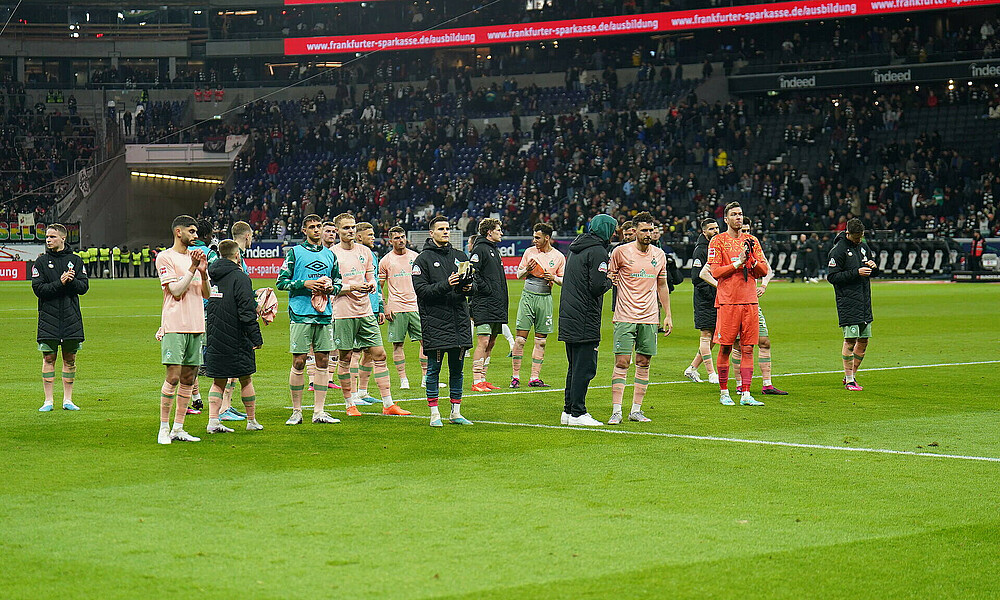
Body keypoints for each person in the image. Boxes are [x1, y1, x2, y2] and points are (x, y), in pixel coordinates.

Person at [330, 213, 409, 417]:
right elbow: (330, 286)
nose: (350, 230)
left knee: (380, 354)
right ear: (337, 231)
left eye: (352, 227)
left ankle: (388, 404)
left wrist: (371, 284)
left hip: (365, 311)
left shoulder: (365, 251)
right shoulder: (331, 254)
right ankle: (350, 403)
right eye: (346, 227)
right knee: (346, 358)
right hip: (343, 312)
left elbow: (371, 276)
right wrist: (352, 287)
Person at [275, 214, 343, 425]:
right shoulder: (295, 253)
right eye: (312, 226)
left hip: (324, 314)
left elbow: (339, 282)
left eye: (318, 226)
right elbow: (281, 282)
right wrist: (304, 284)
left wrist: (332, 287)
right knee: (299, 361)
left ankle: (319, 411)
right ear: (304, 230)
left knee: (323, 361)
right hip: (301, 313)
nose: (316, 229)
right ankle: (296, 411)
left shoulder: (330, 255)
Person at [606, 211, 673, 424]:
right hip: (625, 315)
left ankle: (636, 410)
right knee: (622, 362)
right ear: (634, 231)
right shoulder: (620, 252)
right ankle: (616, 411)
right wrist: (612, 280)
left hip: (650, 317)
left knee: (644, 362)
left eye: (651, 230)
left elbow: (662, 285)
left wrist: (668, 315)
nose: (648, 234)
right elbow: (609, 275)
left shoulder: (659, 255)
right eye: (644, 230)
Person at [412, 216, 476, 427]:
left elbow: (474, 285)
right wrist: (447, 284)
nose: (446, 231)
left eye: (447, 228)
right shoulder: (423, 260)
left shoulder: (460, 256)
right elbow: (422, 291)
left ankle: (456, 413)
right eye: (441, 229)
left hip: (459, 322)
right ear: (431, 233)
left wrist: (469, 287)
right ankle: (434, 414)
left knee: (458, 371)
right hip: (436, 322)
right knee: (434, 370)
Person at [704, 202, 768, 407]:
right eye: (734, 214)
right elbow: (715, 272)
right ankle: (724, 392)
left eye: (740, 214)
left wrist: (752, 261)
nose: (738, 217)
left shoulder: (752, 240)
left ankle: (746, 394)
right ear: (726, 219)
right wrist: (738, 263)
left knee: (748, 348)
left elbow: (764, 270)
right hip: (728, 301)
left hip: (750, 301)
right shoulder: (718, 241)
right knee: (725, 348)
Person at [155, 215, 211, 444]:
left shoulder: (195, 258)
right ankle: (163, 428)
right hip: (175, 324)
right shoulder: (165, 257)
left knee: (189, 377)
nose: (196, 236)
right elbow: (176, 291)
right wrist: (193, 268)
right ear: (178, 232)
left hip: (196, 324)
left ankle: (178, 428)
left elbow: (207, 294)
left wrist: (204, 273)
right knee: (173, 376)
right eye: (192, 231)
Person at [558, 214, 616, 426]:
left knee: (574, 367)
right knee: (585, 368)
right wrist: (610, 280)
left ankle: (568, 411)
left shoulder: (576, 248)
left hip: (569, 315)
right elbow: (597, 286)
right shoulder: (598, 251)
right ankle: (578, 413)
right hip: (584, 316)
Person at [204, 239, 264, 434]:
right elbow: (246, 311)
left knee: (218, 381)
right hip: (237, 336)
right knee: (246, 378)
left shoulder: (211, 275)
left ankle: (213, 421)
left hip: (215, 334)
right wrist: (255, 337)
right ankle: (251, 420)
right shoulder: (241, 277)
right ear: (237, 255)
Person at [32, 224, 89, 412]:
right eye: (47, 237)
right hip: (48, 319)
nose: (48, 240)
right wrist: (60, 282)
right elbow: (39, 290)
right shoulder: (41, 262)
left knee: (70, 359)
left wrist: (71, 281)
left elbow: (84, 288)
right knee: (48, 357)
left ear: (63, 238)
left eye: (52, 237)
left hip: (71, 318)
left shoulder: (76, 261)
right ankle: (48, 401)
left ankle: (68, 400)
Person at [729, 220, 788, 396]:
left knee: (764, 341)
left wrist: (763, 285)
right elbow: (709, 272)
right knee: (738, 345)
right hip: (733, 304)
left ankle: (767, 384)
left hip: (753, 303)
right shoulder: (728, 246)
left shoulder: (754, 247)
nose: (746, 233)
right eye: (743, 230)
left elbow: (767, 269)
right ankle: (739, 384)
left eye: (748, 230)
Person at [511, 223, 565, 388]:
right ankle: (515, 377)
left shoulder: (558, 257)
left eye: (537, 237)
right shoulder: (529, 252)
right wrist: (527, 270)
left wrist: (553, 278)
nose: (534, 240)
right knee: (520, 340)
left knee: (541, 341)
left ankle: (534, 378)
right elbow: (518, 274)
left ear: (547, 238)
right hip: (528, 297)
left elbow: (564, 280)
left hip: (545, 299)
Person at [827, 218, 877, 391]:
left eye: (861, 237)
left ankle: (851, 375)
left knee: (864, 341)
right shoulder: (838, 251)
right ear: (848, 233)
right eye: (856, 237)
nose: (859, 240)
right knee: (850, 341)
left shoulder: (863, 247)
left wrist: (872, 265)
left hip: (864, 301)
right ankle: (849, 381)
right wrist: (856, 272)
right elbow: (832, 277)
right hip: (848, 302)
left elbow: (868, 267)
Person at [378, 226, 427, 390]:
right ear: (390, 241)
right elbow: (379, 287)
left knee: (425, 342)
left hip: (416, 306)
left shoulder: (416, 257)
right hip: (396, 307)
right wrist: (385, 306)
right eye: (397, 238)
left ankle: (425, 378)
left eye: (402, 236)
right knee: (398, 344)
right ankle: (403, 379)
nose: (401, 240)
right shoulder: (386, 261)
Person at [215, 220, 255, 420]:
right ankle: (223, 408)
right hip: (229, 316)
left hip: (223, 314)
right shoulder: (235, 260)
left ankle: (227, 405)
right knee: (230, 364)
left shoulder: (228, 257)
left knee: (232, 365)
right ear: (247, 236)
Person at [469, 218, 509, 392]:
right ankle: (476, 380)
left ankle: (484, 378)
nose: (501, 233)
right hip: (484, 303)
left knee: (491, 342)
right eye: (498, 230)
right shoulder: (480, 249)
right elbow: (473, 272)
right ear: (489, 232)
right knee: (483, 340)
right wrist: (486, 289)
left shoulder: (494, 250)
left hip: (496, 304)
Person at [350, 221, 386, 406]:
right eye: (370, 235)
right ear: (359, 237)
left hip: (371, 309)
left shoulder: (371, 255)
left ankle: (363, 392)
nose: (373, 237)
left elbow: (376, 283)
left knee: (370, 353)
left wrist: (380, 307)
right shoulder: (353, 254)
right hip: (356, 309)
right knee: (354, 353)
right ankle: (353, 394)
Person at [306, 220, 343, 392]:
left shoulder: (337, 253)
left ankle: (329, 378)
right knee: (312, 343)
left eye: (333, 231)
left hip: (337, 304)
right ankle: (312, 380)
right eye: (327, 231)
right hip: (314, 305)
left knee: (333, 342)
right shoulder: (317, 254)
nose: (331, 234)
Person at [685, 218, 720, 385]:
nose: (716, 231)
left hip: (716, 298)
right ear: (704, 231)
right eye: (711, 229)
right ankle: (712, 373)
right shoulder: (700, 250)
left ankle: (692, 368)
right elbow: (696, 278)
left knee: (713, 337)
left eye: (717, 228)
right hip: (705, 299)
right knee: (706, 335)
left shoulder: (716, 247)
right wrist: (711, 293)